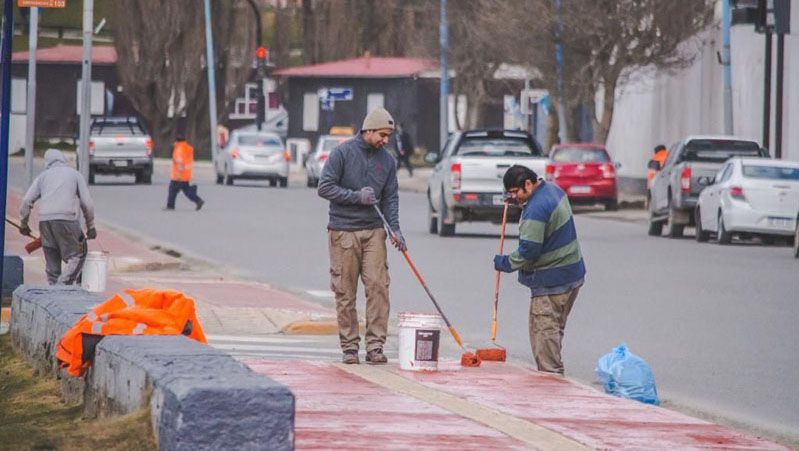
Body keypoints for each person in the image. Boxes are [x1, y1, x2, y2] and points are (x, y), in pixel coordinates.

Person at [318, 107, 405, 365]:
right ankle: (349, 347)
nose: (385, 140)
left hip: (374, 231)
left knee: (378, 287)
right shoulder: (342, 153)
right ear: (368, 130)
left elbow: (390, 197)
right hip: (343, 231)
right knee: (345, 292)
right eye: (381, 134)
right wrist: (356, 197)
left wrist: (394, 228)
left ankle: (376, 346)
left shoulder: (387, 161)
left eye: (388, 135)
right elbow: (325, 187)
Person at [493, 165, 586, 375]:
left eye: (516, 192)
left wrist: (506, 263)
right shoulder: (553, 190)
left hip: (552, 281)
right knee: (555, 329)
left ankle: (551, 381)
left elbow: (529, 250)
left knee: (544, 334)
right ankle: (553, 374)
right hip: (572, 274)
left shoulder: (536, 207)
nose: (515, 197)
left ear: (528, 183)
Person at [19, 149, 96, 285]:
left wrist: (23, 225)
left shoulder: (43, 177)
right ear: (63, 160)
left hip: (45, 222)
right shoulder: (74, 174)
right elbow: (87, 203)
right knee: (78, 255)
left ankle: (54, 292)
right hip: (67, 221)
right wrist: (91, 227)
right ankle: (61, 287)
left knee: (52, 268)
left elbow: (26, 201)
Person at [166, 133, 204, 211]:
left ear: (176, 141)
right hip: (186, 174)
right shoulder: (187, 147)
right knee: (186, 190)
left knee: (172, 190)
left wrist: (178, 175)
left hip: (178, 175)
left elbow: (180, 162)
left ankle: (170, 206)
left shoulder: (178, 149)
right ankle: (198, 200)